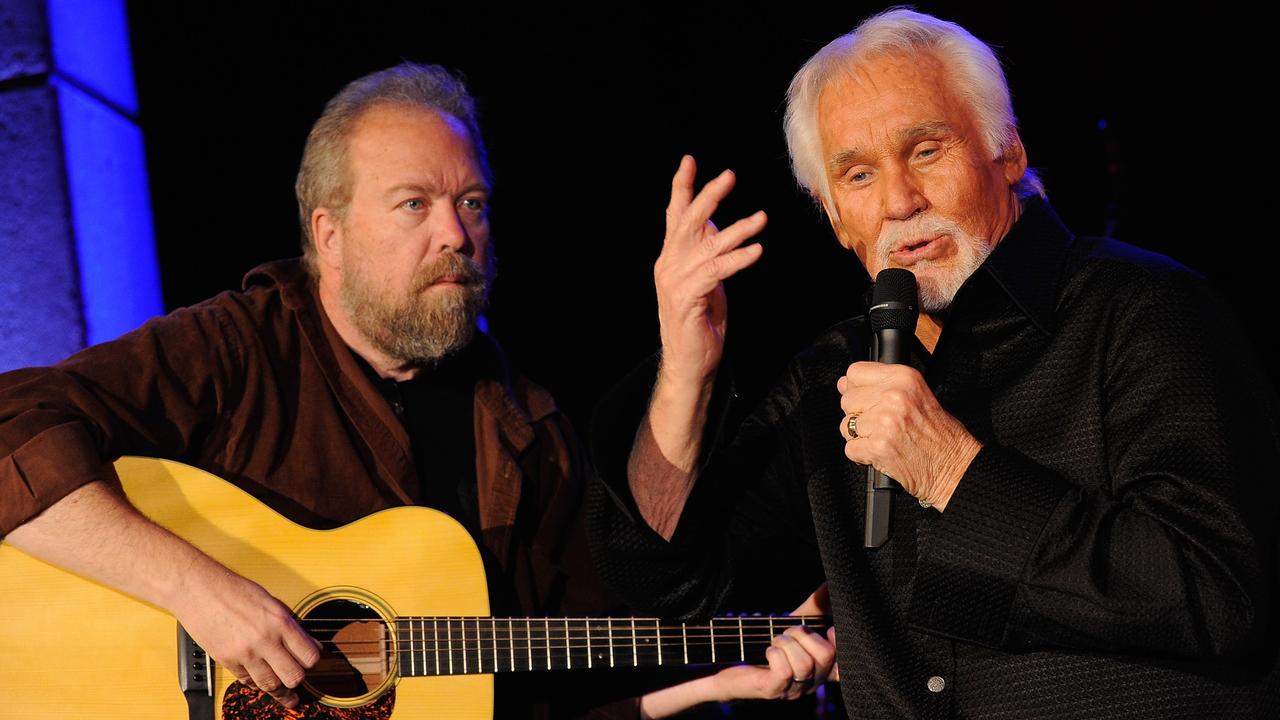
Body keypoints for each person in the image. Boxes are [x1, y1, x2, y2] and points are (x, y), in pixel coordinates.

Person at [0, 62, 825, 718]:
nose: (456, 234)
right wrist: (201, 592)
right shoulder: (237, 349)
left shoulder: (523, 429)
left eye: (472, 203)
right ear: (329, 236)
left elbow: (570, 663)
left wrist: (716, 682)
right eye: (414, 203)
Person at [588, 8, 1280, 718]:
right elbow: (673, 587)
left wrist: (957, 473)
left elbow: (1223, 593)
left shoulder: (1145, 311)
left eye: (925, 151)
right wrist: (685, 375)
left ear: (1006, 152)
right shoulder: (830, 378)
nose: (898, 201)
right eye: (858, 175)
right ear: (833, 217)